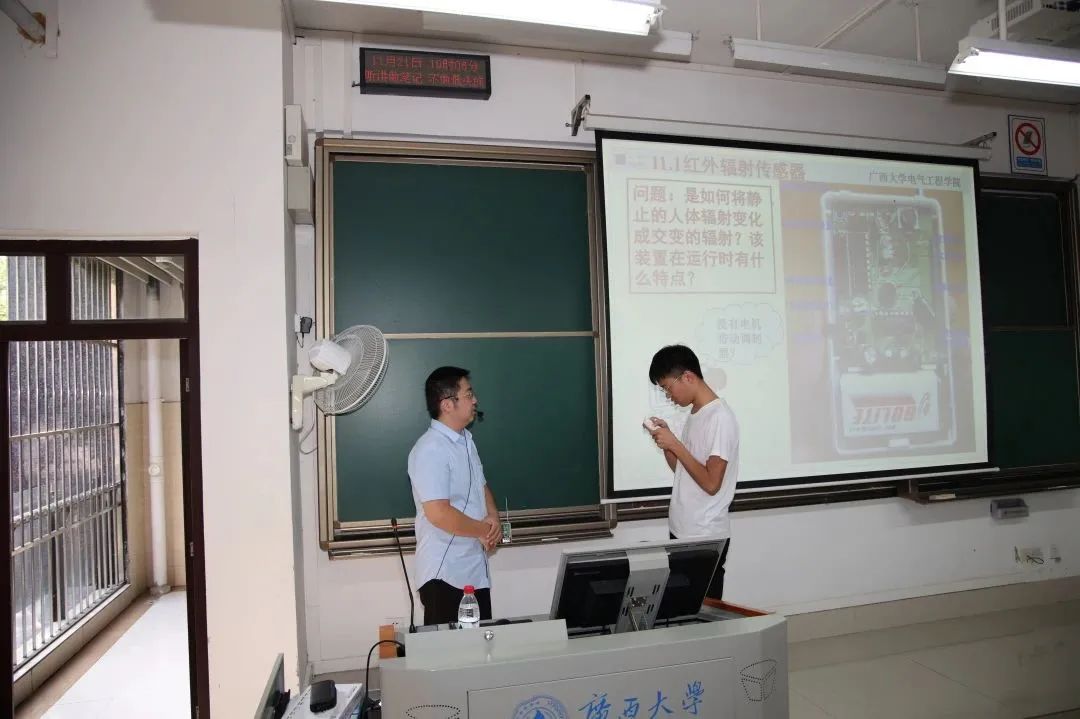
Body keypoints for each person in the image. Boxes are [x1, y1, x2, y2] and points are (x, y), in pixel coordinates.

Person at [408, 366, 502, 625]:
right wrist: (483, 530)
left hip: (474, 570)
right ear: (447, 404)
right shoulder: (430, 449)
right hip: (445, 574)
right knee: (450, 650)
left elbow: (480, 485)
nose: (475, 400)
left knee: (481, 646)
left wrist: (493, 518)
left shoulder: (466, 442)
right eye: (468, 394)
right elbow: (439, 513)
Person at [646, 345, 739, 600]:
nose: (668, 396)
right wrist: (668, 445)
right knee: (681, 610)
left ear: (687, 377)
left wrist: (676, 444)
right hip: (683, 529)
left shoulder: (720, 417)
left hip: (704, 536)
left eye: (668, 388)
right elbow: (684, 472)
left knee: (701, 614)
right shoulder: (696, 414)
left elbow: (711, 483)